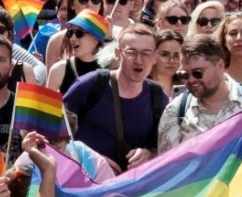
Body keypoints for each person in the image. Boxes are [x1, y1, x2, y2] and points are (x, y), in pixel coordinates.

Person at [63, 26, 168, 169]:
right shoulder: (89, 85)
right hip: (84, 182)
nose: (139, 60)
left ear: (155, 58)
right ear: (118, 53)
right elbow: (55, 135)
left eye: (146, 53)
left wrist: (147, 154)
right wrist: (93, 160)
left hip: (129, 187)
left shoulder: (158, 97)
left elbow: (163, 150)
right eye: (131, 52)